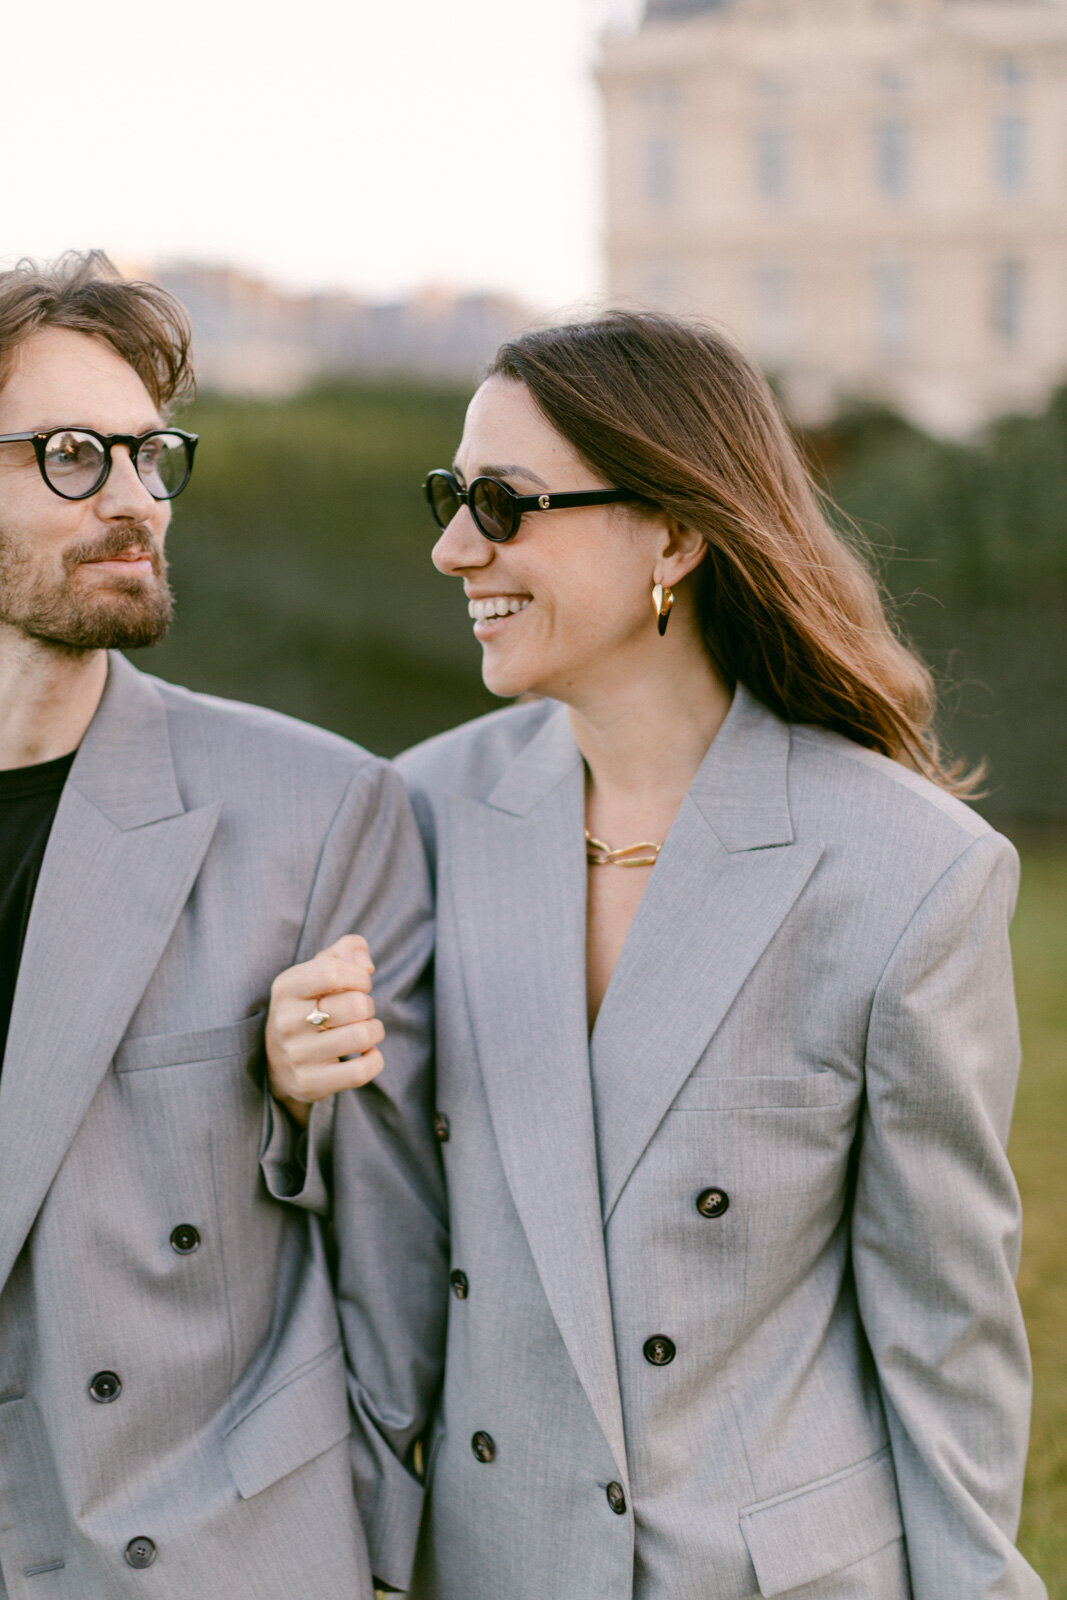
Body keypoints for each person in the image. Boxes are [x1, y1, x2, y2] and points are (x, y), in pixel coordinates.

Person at [267, 311, 1044, 1600]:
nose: (454, 547)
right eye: (450, 497)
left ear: (676, 536)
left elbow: (945, 1334)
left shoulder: (909, 868)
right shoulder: (414, 817)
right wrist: (301, 1090)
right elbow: (383, 1262)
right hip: (493, 1564)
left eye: (504, 504)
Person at [0, 252, 445, 1599]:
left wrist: (358, 1558)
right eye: (74, 455)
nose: (135, 500)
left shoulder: (320, 813)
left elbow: (398, 1268)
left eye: (150, 456)